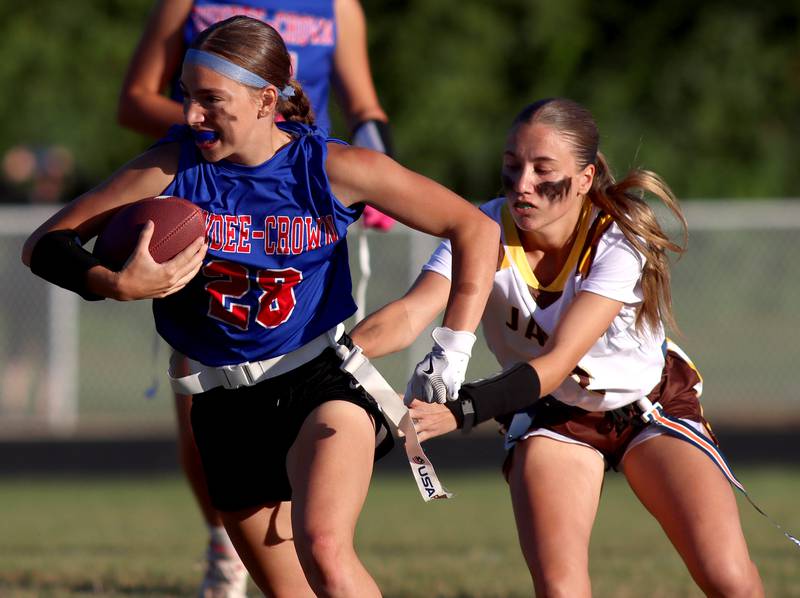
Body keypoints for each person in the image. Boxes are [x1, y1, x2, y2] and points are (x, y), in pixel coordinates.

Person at [22, 16, 497, 597]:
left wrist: (453, 347)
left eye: (210, 100)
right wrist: (113, 282)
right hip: (222, 403)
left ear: (266, 100)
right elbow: (45, 243)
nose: (191, 115)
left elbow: (474, 227)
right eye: (187, 97)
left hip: (319, 381)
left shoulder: (332, 168)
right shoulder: (174, 166)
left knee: (324, 545)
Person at [350, 98, 764, 597]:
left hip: (648, 408)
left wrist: (461, 411)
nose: (522, 183)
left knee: (730, 580)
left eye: (542, 169)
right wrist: (332, 359)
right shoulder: (481, 229)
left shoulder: (617, 236)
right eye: (511, 166)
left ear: (585, 179)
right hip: (552, 415)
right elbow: (410, 313)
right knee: (561, 589)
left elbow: (558, 360)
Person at [117, 2, 395, 594]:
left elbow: (364, 103)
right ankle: (225, 539)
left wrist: (374, 161)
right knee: (209, 387)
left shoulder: (337, 4)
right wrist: (220, 115)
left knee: (316, 374)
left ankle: (309, 538)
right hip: (211, 199)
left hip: (300, 194)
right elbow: (135, 100)